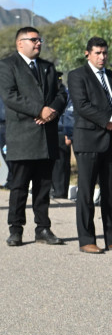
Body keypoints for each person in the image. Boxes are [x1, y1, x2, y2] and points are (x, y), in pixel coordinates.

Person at [0, 26, 68, 246]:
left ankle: (43, 228)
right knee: (19, 187)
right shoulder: (7, 65)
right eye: (34, 40)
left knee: (43, 187)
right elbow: (10, 96)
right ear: (20, 43)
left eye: (40, 40)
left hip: (45, 136)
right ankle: (16, 229)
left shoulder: (48, 67)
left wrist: (52, 111)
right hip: (22, 136)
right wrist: (39, 110)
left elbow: (61, 93)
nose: (39, 43)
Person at [68, 36, 112, 253]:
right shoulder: (77, 76)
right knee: (86, 193)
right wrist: (109, 120)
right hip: (89, 141)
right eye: (97, 53)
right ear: (88, 53)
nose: (102, 57)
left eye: (104, 53)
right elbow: (82, 106)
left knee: (111, 191)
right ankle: (87, 239)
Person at [51, 71, 72, 199]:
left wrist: (67, 133)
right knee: (53, 163)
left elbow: (67, 114)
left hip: (62, 131)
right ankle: (53, 188)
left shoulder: (65, 94)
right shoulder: (51, 93)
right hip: (52, 131)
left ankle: (61, 191)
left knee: (62, 163)